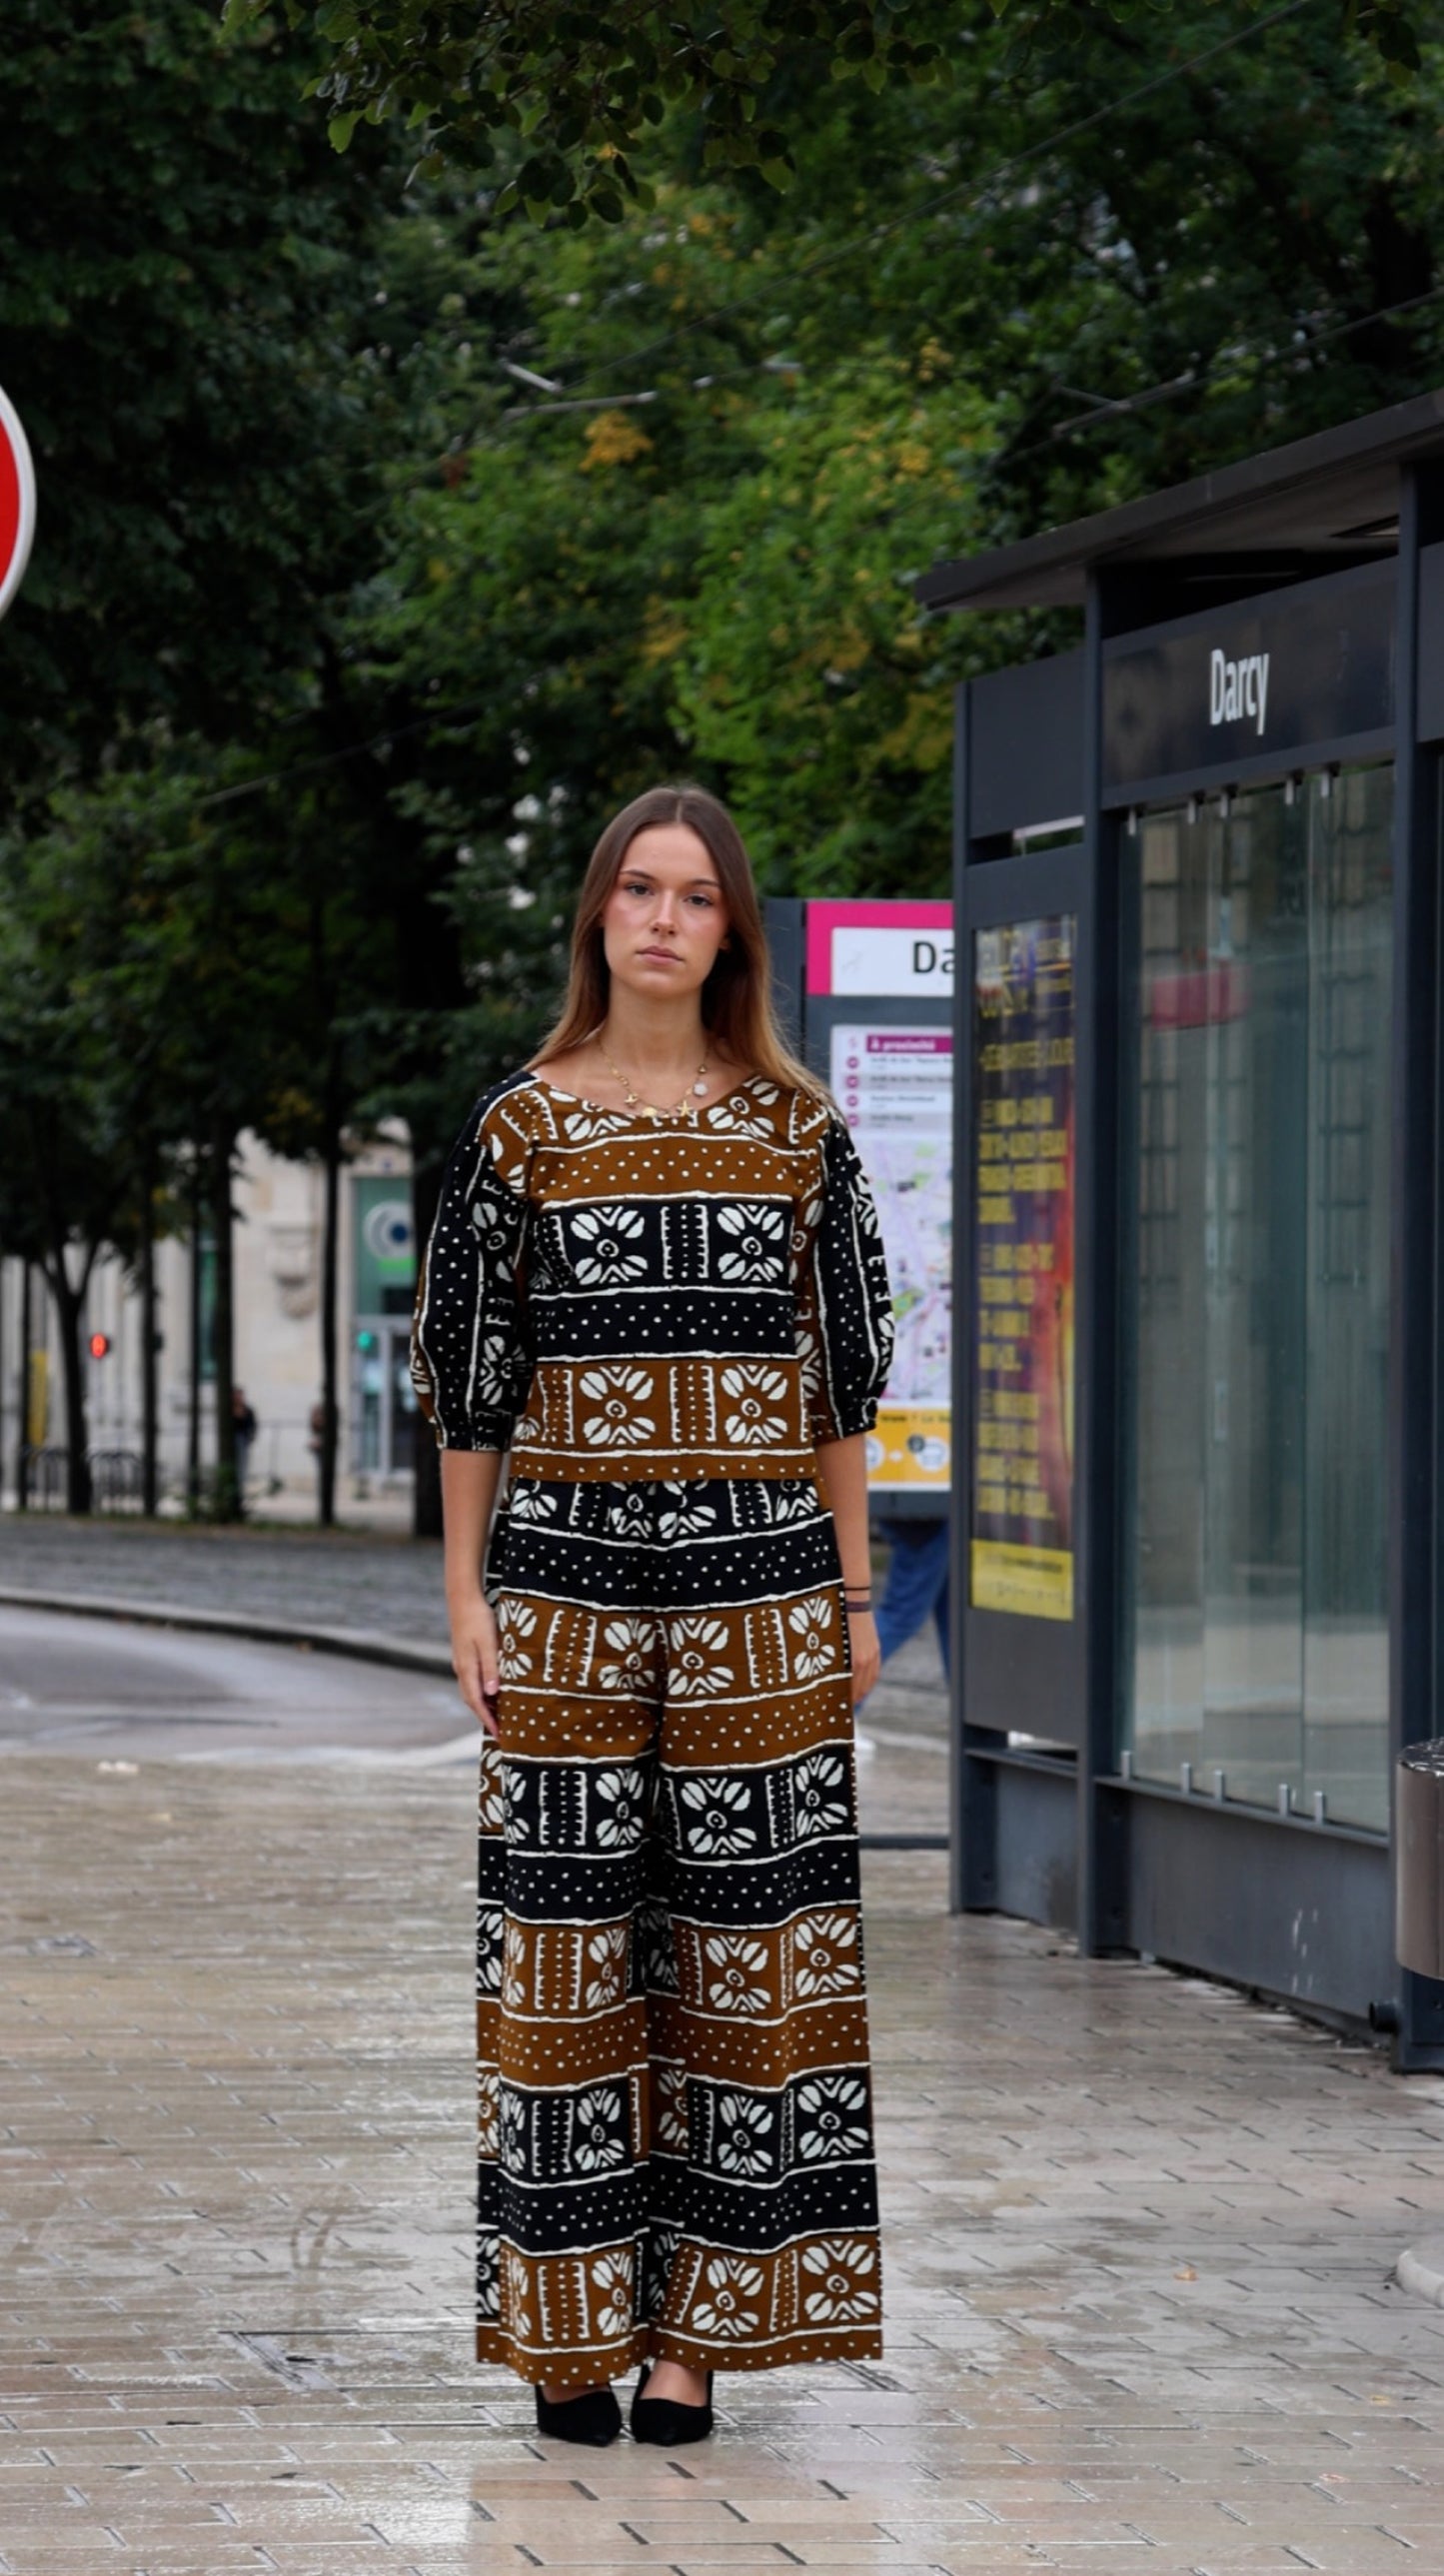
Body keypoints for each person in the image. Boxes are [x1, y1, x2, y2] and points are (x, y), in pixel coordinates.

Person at [411, 783, 894, 2451]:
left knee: (747, 1961)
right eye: (639, 888)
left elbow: (839, 1385)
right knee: (562, 1958)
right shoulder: (518, 1129)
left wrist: (852, 1589)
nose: (664, 919)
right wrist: (465, 1592)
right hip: (561, 1587)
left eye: (695, 895)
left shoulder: (798, 1134)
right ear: (598, 916)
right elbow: (471, 1385)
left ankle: (697, 2341)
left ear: (731, 930)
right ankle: (566, 2333)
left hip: (764, 1593)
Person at [871, 1511, 950, 1682]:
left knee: (954, 1618)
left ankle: (967, 1694)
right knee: (901, 1615)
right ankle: (834, 1688)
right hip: (928, 1520)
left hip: (927, 1517)